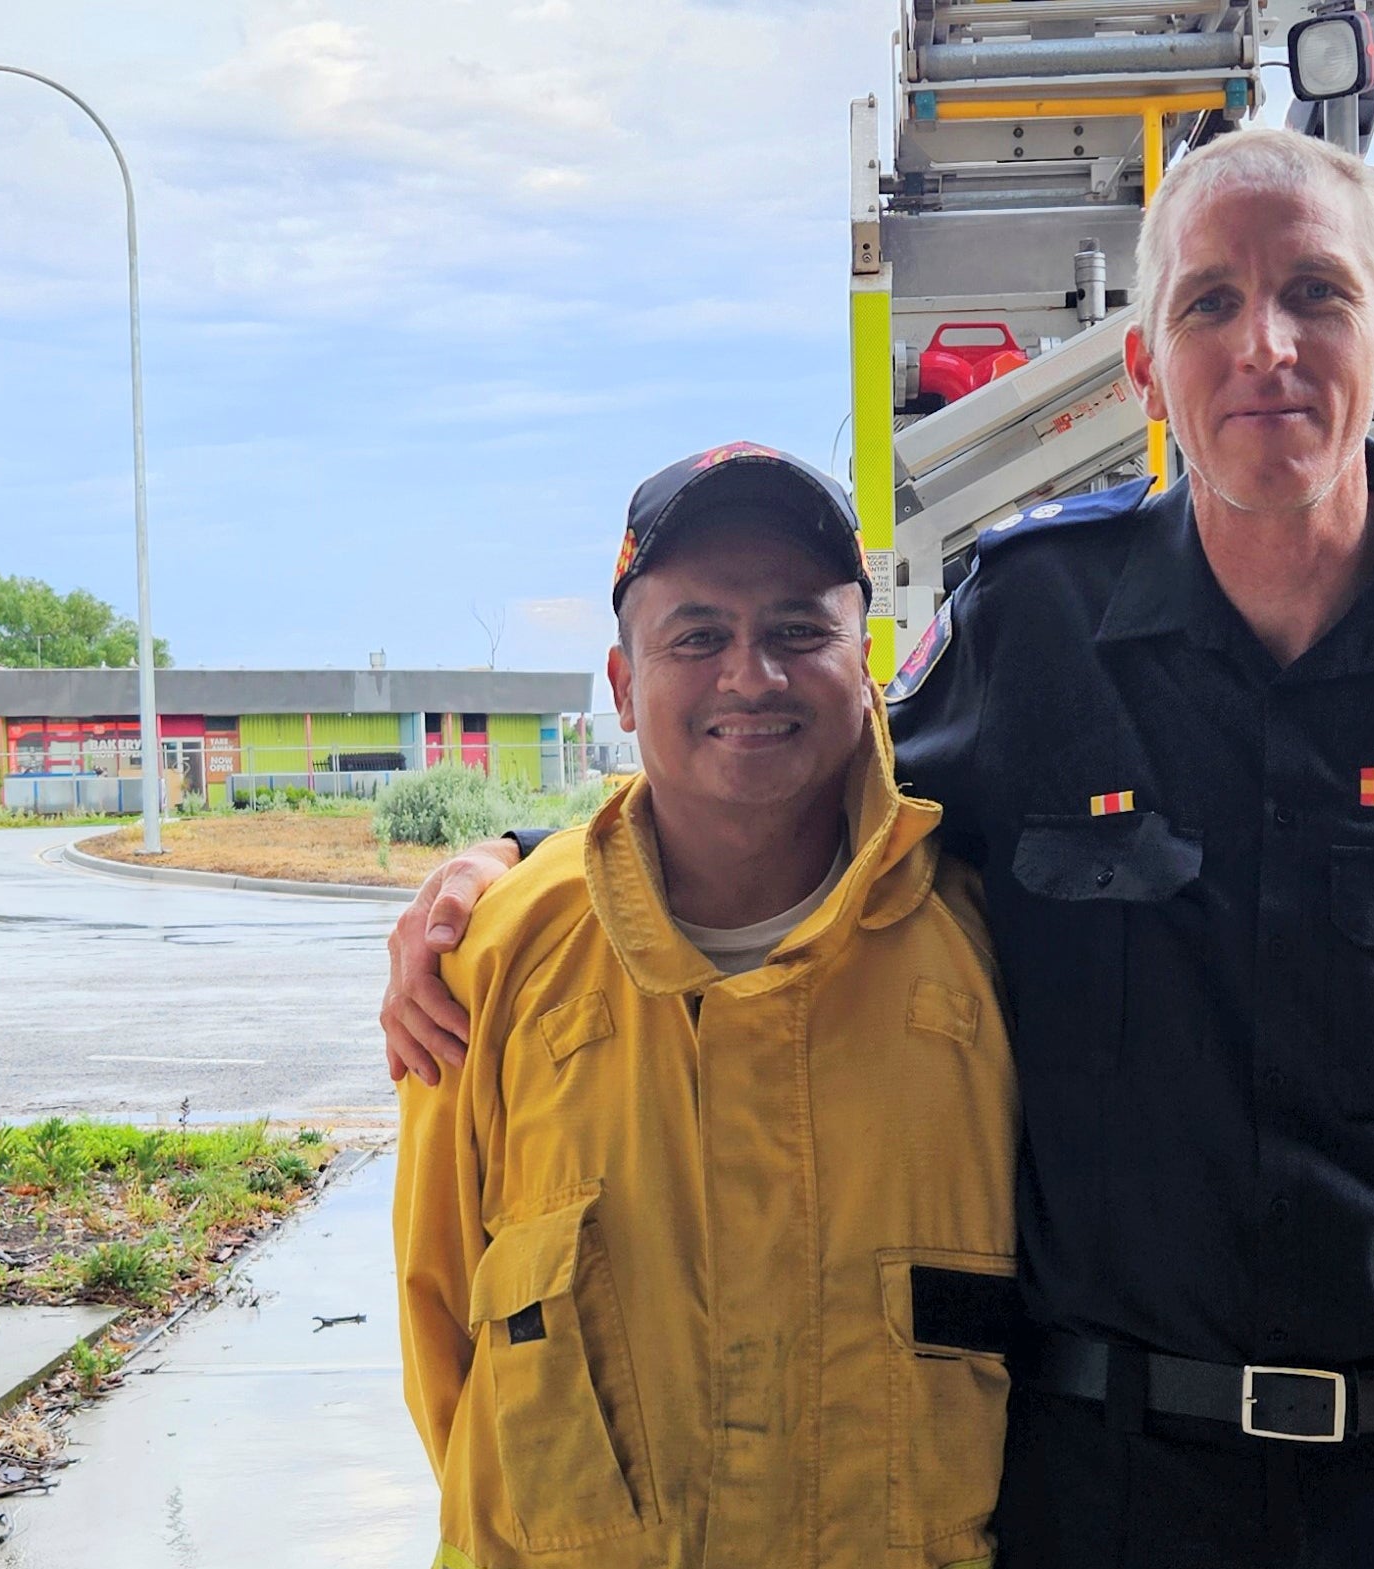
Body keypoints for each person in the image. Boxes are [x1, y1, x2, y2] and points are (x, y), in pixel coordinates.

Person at [387, 127, 1374, 1567]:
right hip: (1107, 1485)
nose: (1263, 344)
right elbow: (801, 775)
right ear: (1147, 367)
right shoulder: (1036, 627)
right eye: (1208, 300)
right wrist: (512, 860)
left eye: (1315, 294)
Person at [392, 445, 1018, 1569]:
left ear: (864, 662)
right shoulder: (493, 964)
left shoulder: (983, 955)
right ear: (624, 683)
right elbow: (441, 1340)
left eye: (795, 631)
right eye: (697, 637)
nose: (751, 676)